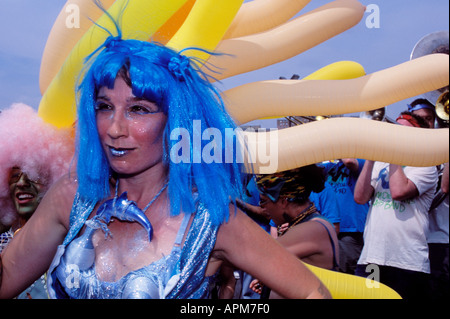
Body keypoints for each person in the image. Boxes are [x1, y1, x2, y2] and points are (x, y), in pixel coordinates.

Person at [0, 26, 329, 299]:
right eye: (104, 106)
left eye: (138, 109)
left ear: (175, 122)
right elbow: (8, 276)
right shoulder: (72, 197)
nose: (114, 129)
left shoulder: (211, 221)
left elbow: (314, 293)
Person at [353, 111, 438, 300]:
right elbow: (360, 197)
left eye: (401, 130)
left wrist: (393, 152)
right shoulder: (382, 162)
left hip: (407, 262)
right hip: (372, 258)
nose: (394, 133)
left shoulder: (425, 165)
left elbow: (398, 192)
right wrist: (370, 157)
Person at [0, 103, 74, 298]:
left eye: (34, 175)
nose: (22, 183)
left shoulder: (71, 246)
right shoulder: (1, 242)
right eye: (15, 176)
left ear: (53, 180)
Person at [250, 165, 339, 297]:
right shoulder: (306, 224)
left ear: (283, 201)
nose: (262, 208)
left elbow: (258, 257)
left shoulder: (314, 228)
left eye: (264, 201)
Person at [319, 159, 369, 275]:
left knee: (344, 273)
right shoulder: (330, 166)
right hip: (329, 230)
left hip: (350, 231)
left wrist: (336, 145)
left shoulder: (363, 162)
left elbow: (350, 161)